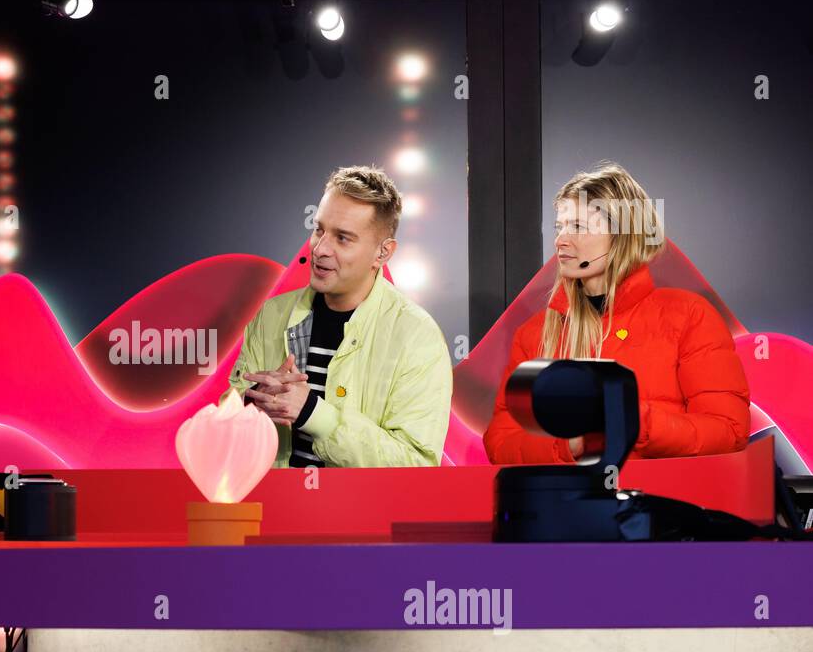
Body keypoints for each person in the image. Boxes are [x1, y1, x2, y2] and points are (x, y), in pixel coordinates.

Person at [483, 162, 749, 463]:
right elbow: (501, 441)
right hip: (565, 506)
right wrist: (567, 447)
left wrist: (637, 422)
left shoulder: (689, 316)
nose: (560, 240)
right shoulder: (534, 333)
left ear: (623, 234)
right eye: (560, 227)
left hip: (658, 506)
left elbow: (728, 431)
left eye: (578, 227)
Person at [229, 165, 452, 467]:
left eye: (343, 238)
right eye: (319, 229)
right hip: (273, 510)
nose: (320, 249)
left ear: (383, 253)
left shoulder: (417, 336)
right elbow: (224, 423)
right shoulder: (273, 314)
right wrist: (252, 403)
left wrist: (313, 413)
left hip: (360, 514)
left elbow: (415, 465)